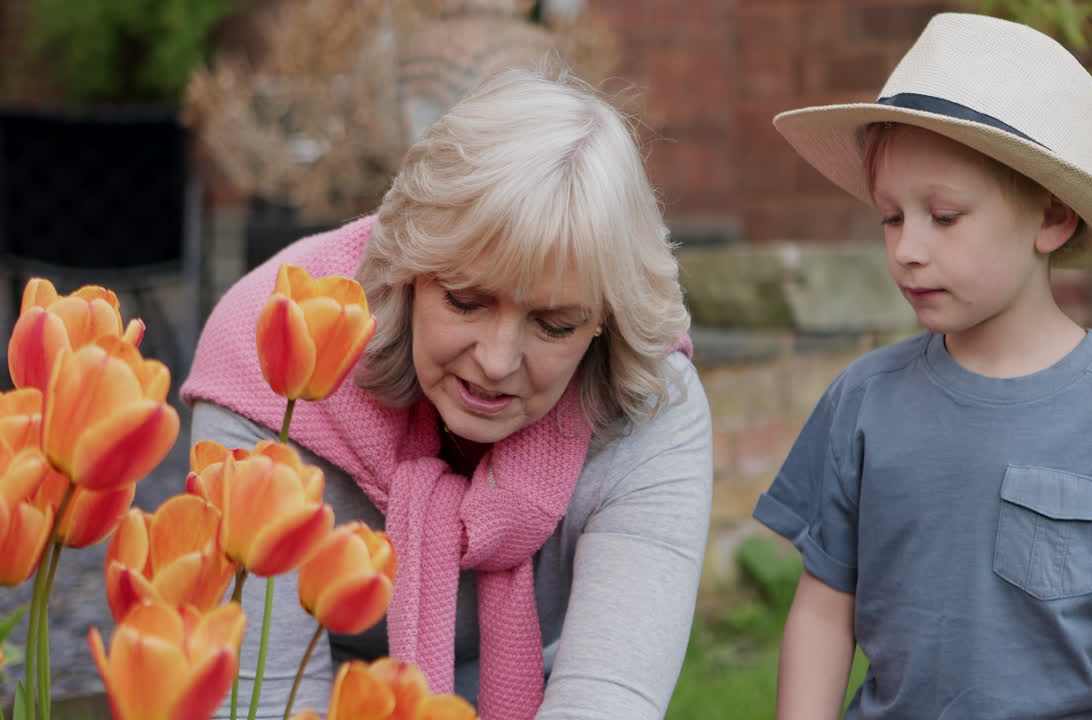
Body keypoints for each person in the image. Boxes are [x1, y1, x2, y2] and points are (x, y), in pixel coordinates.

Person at [181, 67, 713, 720]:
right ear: (406, 271)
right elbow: (260, 701)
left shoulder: (652, 402)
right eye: (465, 301)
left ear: (606, 322)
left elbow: (607, 700)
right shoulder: (275, 357)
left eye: (554, 325)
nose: (496, 361)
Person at [752, 12, 1092, 720]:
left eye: (944, 216)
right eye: (892, 216)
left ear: (1052, 218)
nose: (907, 249)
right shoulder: (863, 400)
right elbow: (825, 613)